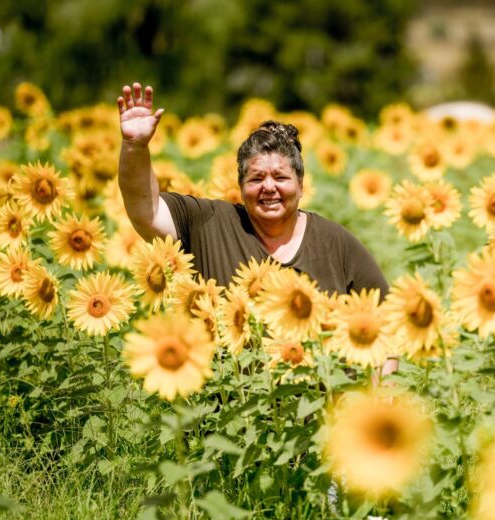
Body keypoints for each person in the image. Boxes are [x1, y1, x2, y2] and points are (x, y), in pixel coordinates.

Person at [117, 82, 397, 376]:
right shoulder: (209, 222)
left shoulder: (335, 243)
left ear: (301, 185)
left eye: (280, 177)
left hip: (323, 415)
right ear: (240, 187)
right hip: (227, 416)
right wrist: (135, 147)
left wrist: (381, 395)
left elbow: (388, 324)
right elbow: (145, 209)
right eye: (256, 178)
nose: (268, 187)